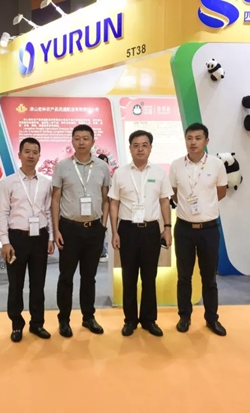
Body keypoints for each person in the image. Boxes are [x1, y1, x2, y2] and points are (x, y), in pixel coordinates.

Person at [109, 130, 173, 337]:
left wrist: (167, 228)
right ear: (130, 148)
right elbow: (114, 203)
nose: (140, 149)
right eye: (135, 145)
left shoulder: (159, 173)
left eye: (144, 145)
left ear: (150, 148)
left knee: (149, 276)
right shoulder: (120, 173)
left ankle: (149, 320)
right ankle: (130, 320)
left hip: (151, 230)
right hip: (127, 229)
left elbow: (164, 201)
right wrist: (114, 231)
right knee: (128, 277)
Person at [169, 122, 228, 337]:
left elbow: (221, 192)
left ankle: (212, 318)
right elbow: (174, 193)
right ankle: (184, 316)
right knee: (184, 276)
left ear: (206, 141)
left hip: (209, 229)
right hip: (184, 229)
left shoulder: (217, 164)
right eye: (189, 138)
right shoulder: (176, 165)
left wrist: (204, 208)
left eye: (198, 138)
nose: (193, 142)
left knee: (209, 277)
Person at [51, 124, 110, 338]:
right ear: (72, 141)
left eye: (86, 138)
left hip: (94, 229)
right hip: (69, 228)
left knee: (89, 277)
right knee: (66, 277)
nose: (81, 142)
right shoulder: (62, 166)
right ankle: (64, 319)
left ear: (93, 141)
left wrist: (103, 225)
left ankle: (88, 317)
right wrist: (56, 230)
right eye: (77, 138)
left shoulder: (102, 167)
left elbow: (106, 198)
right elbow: (55, 199)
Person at [0, 137, 55, 343]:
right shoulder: (8, 182)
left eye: (35, 152)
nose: (31, 155)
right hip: (16, 239)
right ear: (19, 154)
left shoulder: (46, 183)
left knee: (38, 284)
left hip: (40, 237)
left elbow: (49, 211)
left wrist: (51, 238)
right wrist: (5, 241)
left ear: (39, 156)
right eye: (27, 151)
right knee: (16, 285)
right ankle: (16, 325)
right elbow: (2, 213)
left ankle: (37, 323)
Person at [97, 153, 110, 263]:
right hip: (96, 208)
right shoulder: (95, 174)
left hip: (105, 208)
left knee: (103, 230)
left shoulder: (108, 176)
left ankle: (103, 252)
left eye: (106, 162)